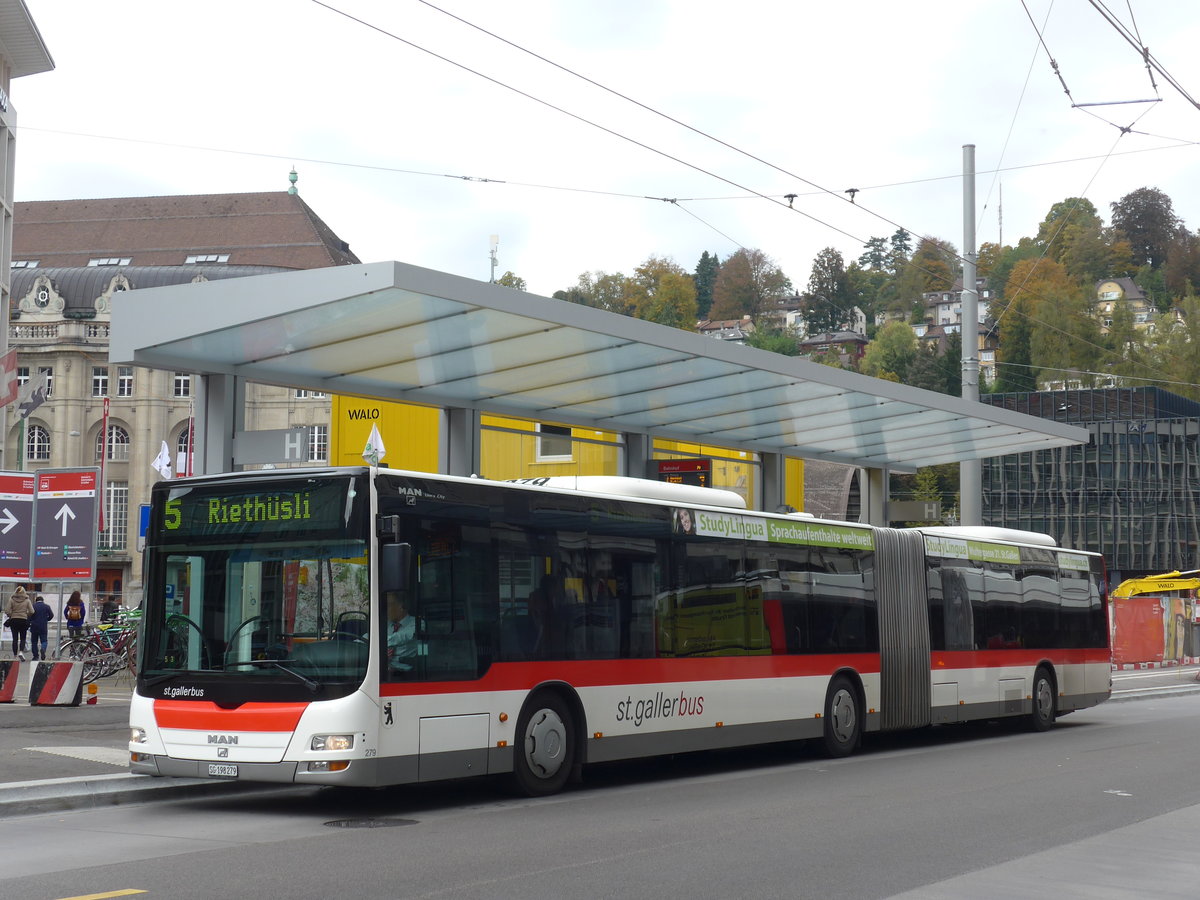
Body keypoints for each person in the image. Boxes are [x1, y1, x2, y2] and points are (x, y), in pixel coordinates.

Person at [385, 594, 418, 672]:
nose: (386, 609)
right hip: (384, 669)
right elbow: (369, 637)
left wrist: (379, 647)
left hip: (404, 672)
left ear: (401, 606)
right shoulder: (387, 624)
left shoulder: (417, 623)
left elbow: (400, 637)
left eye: (389, 605)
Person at [4, 585, 34, 661]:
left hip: (14, 620)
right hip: (23, 620)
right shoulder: (27, 600)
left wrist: (11, 615)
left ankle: (15, 655)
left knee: (15, 638)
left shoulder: (12, 599)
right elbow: (32, 611)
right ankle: (21, 652)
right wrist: (25, 614)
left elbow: (7, 611)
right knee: (23, 638)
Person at [28, 595, 54, 661]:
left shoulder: (33, 606)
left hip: (34, 626)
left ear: (36, 600)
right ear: (43, 600)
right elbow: (51, 615)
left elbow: (29, 615)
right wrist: (47, 619)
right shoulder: (47, 606)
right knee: (44, 640)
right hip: (43, 626)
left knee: (34, 642)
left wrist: (30, 621)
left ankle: (35, 656)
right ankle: (43, 649)